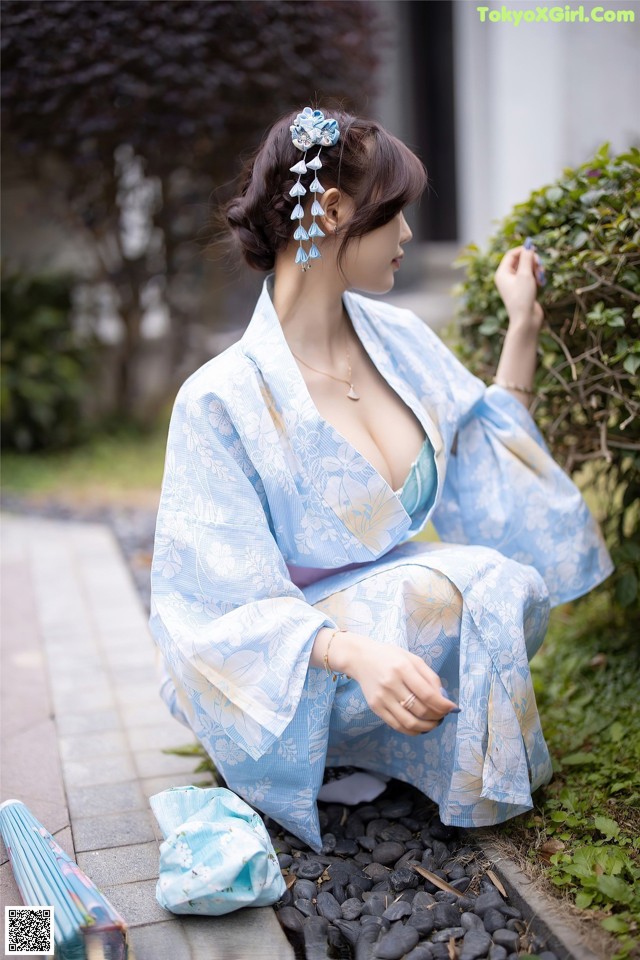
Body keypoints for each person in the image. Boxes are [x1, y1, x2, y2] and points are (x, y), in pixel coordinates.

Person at [148, 106, 614, 852]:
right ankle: (328, 754)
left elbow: (482, 451)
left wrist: (522, 325)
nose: (405, 236)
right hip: (294, 676)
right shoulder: (219, 398)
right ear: (331, 211)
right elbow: (210, 608)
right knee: (462, 584)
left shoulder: (397, 338)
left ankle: (398, 750)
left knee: (504, 584)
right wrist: (350, 649)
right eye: (393, 214)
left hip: (393, 627)